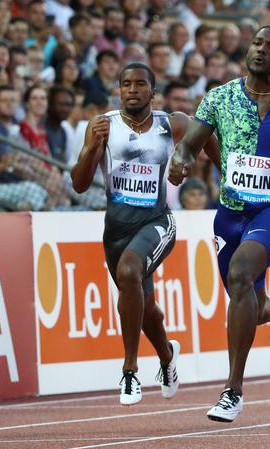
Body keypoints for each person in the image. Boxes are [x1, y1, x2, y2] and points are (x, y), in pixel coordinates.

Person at [168, 25, 270, 423]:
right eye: (257, 43)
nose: (261, 50)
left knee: (242, 274)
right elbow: (190, 142)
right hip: (229, 216)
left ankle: (233, 390)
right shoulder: (219, 99)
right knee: (247, 300)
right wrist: (181, 159)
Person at [71, 62, 219, 406]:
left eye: (140, 84)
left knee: (129, 272)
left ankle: (130, 371)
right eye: (126, 84)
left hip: (157, 222)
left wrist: (202, 163)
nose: (133, 89)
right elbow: (78, 185)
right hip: (116, 230)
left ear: (153, 93)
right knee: (146, 309)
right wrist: (93, 148)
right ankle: (167, 355)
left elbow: (209, 138)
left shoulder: (173, 124)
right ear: (118, 91)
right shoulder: (101, 125)